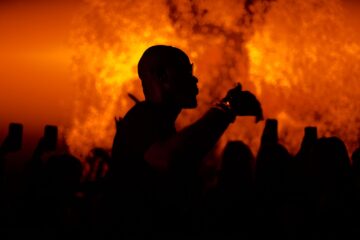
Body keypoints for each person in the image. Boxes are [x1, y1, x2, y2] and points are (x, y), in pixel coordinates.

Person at [109, 45, 263, 232]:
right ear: (162, 76)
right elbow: (168, 158)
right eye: (185, 72)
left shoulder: (156, 123)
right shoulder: (141, 118)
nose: (195, 79)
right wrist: (226, 110)